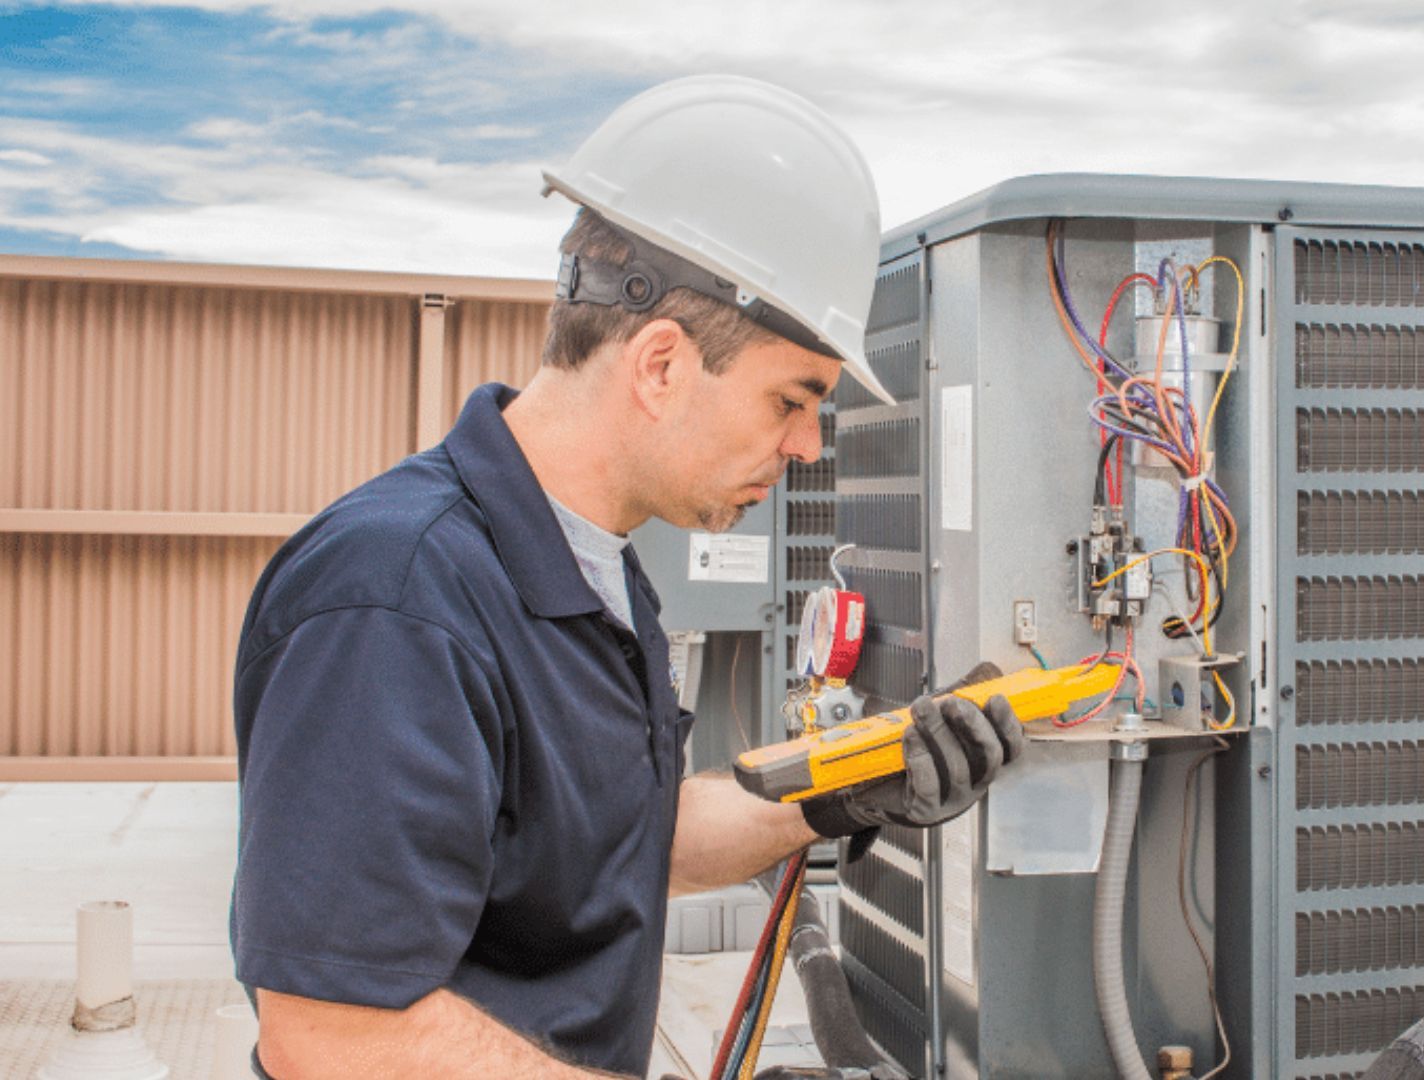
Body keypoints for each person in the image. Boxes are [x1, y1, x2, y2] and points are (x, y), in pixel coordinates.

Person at [229, 75, 1023, 1079]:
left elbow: (625, 848)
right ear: (659, 365)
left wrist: (859, 782)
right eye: (792, 398)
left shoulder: (593, 569)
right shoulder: (396, 598)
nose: (808, 445)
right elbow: (337, 1034)